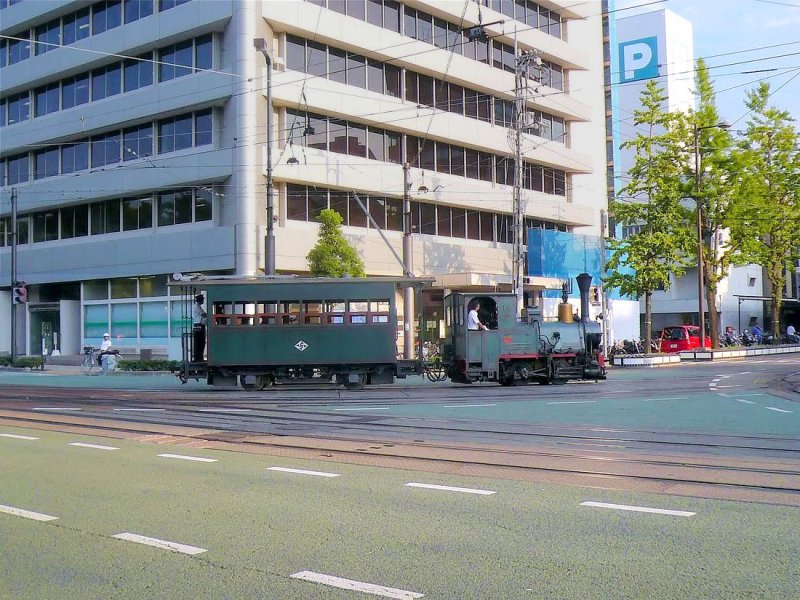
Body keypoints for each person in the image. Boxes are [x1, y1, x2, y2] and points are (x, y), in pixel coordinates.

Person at [192, 294, 207, 362]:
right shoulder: (197, 307)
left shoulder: (198, 306)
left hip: (199, 326)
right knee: (200, 343)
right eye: (202, 299)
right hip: (199, 326)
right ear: (200, 300)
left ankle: (199, 357)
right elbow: (204, 314)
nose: (203, 300)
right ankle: (198, 358)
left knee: (201, 343)